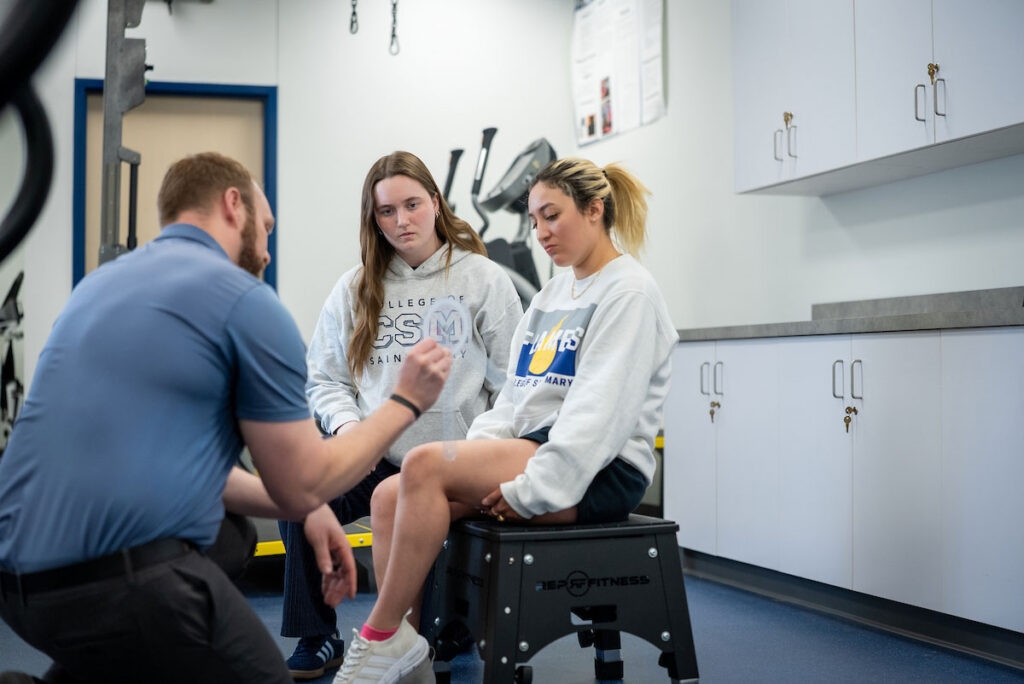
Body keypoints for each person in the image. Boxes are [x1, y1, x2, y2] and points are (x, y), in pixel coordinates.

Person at [0, 152, 451, 684]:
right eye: (266, 228)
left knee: (230, 536)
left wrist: (309, 509)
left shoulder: (95, 289)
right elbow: (305, 479)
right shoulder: (245, 301)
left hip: (13, 582)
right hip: (116, 579)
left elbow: (200, 471)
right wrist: (405, 402)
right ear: (233, 205)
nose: (267, 249)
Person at [331, 157, 679, 684]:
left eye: (552, 216)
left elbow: (598, 417)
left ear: (594, 210)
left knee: (423, 464)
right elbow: (514, 398)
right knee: (387, 497)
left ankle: (380, 637)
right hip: (538, 450)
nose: (541, 233)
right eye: (534, 220)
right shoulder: (553, 294)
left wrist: (531, 491)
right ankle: (406, 656)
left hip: (599, 469)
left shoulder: (629, 292)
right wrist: (481, 452)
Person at [279, 150, 521, 680]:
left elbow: (513, 384)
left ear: (435, 202)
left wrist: (481, 452)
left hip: (454, 462)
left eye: (412, 205)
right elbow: (325, 380)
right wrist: (351, 431)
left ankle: (440, 627)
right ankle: (317, 636)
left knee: (435, 639)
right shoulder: (354, 287)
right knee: (300, 491)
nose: (401, 221)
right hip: (379, 456)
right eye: (386, 211)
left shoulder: (483, 279)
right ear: (374, 218)